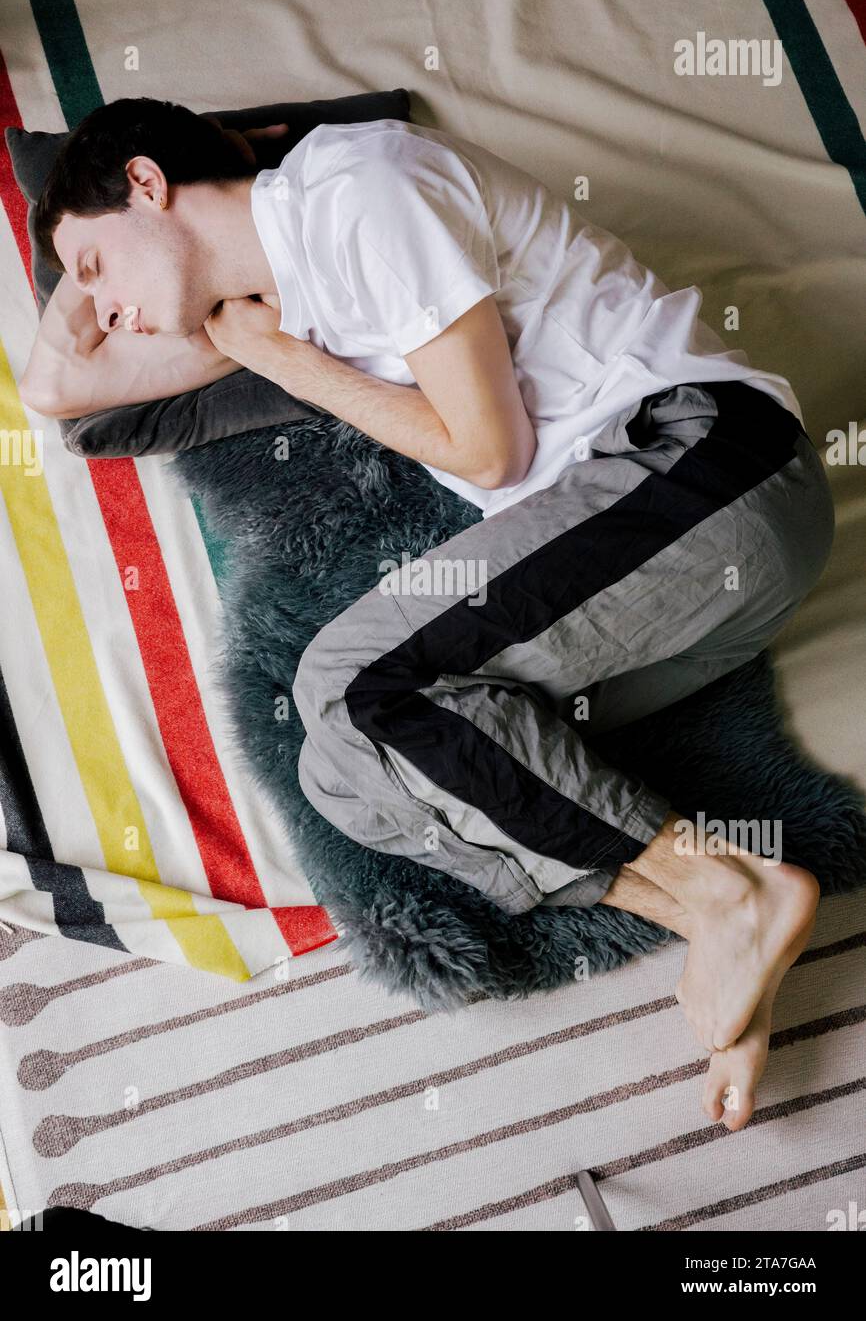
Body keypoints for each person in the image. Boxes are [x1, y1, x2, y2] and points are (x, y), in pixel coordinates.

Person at [22, 97, 835, 1132]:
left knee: (349, 684)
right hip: (662, 591)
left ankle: (728, 903)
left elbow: (487, 451)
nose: (101, 310)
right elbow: (58, 386)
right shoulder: (268, 305)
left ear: (147, 184)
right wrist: (84, 247)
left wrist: (280, 357)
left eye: (93, 271)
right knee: (342, 773)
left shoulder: (357, 188)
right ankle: (721, 905)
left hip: (706, 470)